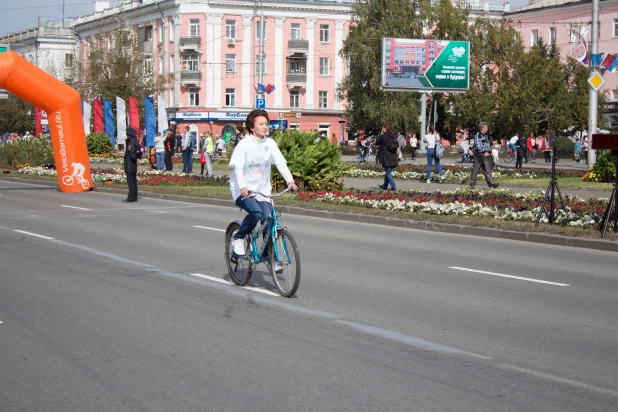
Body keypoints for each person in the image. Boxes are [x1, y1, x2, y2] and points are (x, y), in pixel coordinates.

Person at [229, 109, 298, 258]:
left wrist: (290, 181)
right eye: (261, 124)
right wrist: (242, 186)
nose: (265, 126)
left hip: (262, 190)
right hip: (243, 189)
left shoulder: (270, 143)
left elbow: (280, 163)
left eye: (266, 123)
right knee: (256, 213)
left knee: (269, 220)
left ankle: (268, 257)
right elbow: (239, 168)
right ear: (252, 127)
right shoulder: (243, 145)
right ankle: (239, 238)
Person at [469, 122, 499, 189]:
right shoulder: (478, 135)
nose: (487, 129)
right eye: (486, 127)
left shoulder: (485, 136)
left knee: (487, 169)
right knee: (476, 169)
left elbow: (486, 146)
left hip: (485, 155)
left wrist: (490, 151)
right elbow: (478, 145)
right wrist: (483, 152)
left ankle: (491, 184)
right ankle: (472, 184)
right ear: (483, 128)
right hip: (479, 155)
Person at [376, 124, 399, 190]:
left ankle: (393, 186)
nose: (382, 129)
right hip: (393, 156)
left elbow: (377, 142)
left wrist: (380, 134)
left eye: (382, 128)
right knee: (388, 171)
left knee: (388, 172)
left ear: (385, 129)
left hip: (386, 157)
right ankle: (385, 185)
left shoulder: (383, 136)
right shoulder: (392, 136)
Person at [123, 127, 140, 203]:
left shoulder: (130, 143)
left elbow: (131, 154)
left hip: (130, 164)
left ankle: (130, 197)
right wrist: (139, 157)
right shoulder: (136, 142)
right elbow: (141, 150)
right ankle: (134, 196)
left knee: (130, 182)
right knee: (134, 181)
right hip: (133, 165)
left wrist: (135, 158)